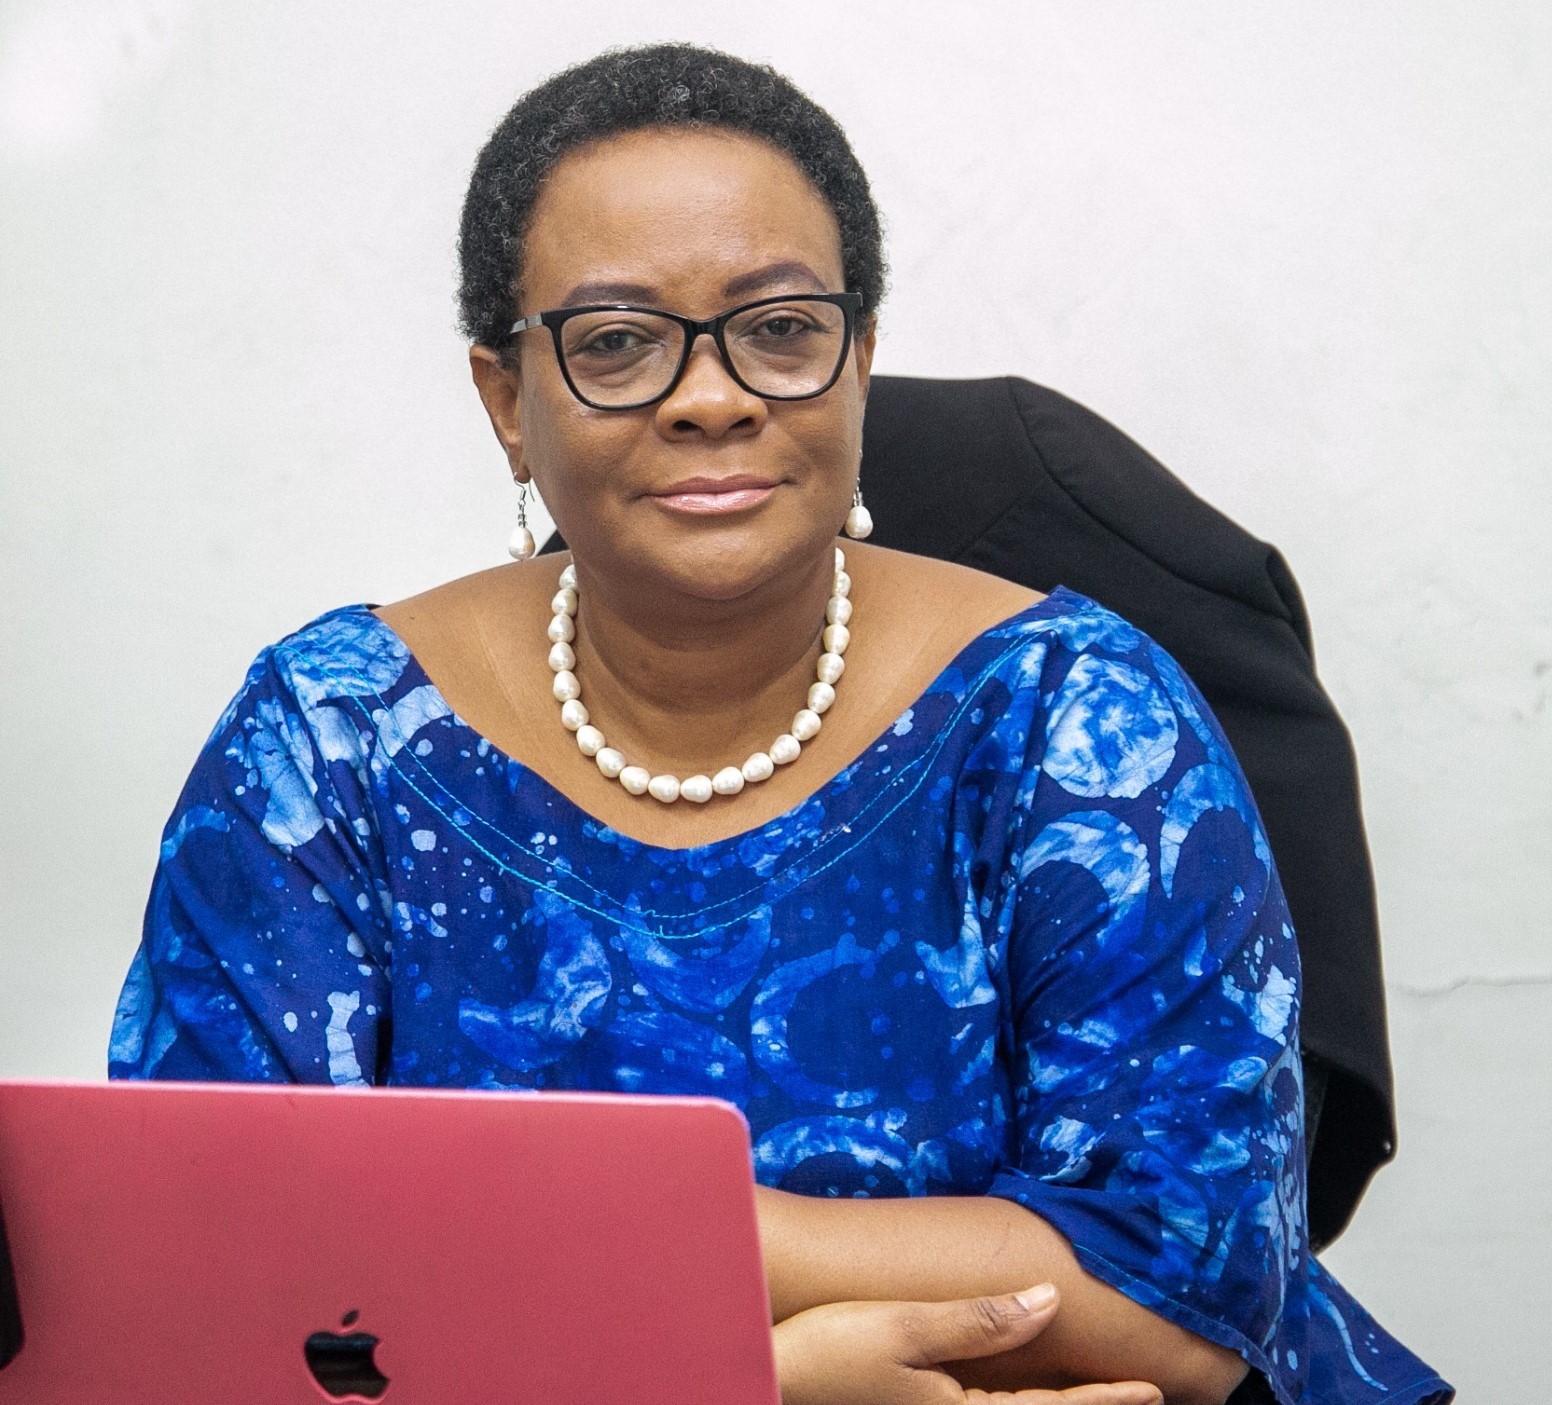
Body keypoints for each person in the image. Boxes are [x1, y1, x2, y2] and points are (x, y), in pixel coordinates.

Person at [108, 43, 1451, 1405]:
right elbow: (220, 1275)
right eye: (617, 341)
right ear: (508, 402)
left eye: (782, 328)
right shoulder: (328, 739)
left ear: (859, 360)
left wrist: (572, 1237)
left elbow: (1179, 1302)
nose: (713, 395)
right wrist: (755, 1381)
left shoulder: (1080, 720)